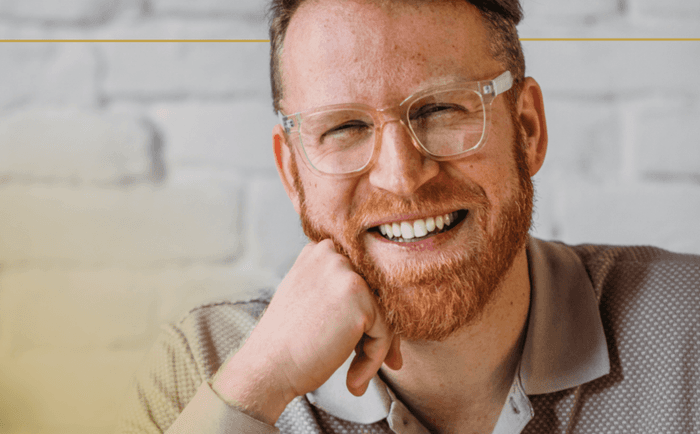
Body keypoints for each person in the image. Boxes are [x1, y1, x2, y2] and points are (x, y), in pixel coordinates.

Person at [117, 0, 700, 433]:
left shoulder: (690, 329)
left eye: (443, 109)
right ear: (293, 176)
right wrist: (260, 385)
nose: (401, 176)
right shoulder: (206, 367)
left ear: (527, 130)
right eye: (344, 128)